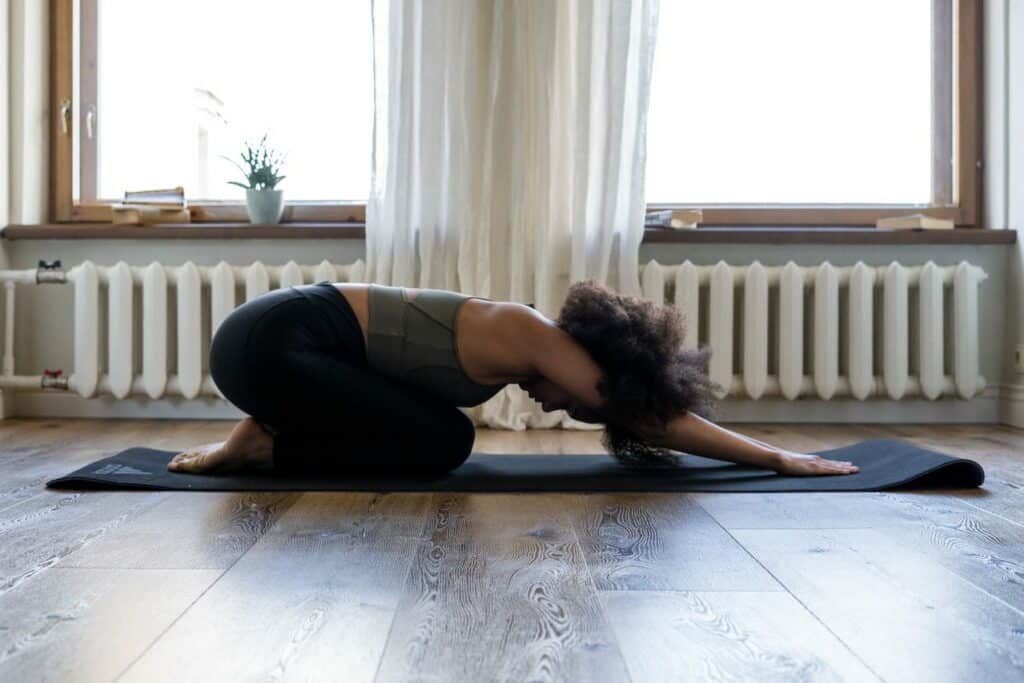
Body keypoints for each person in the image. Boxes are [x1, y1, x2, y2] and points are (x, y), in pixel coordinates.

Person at [168, 280, 859, 477]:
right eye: (580, 402)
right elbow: (652, 415)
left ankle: (262, 435)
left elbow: (355, 394)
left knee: (441, 434)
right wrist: (772, 455)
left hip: (280, 350)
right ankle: (262, 443)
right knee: (441, 444)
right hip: (269, 341)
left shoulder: (510, 344)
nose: (557, 406)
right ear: (596, 363)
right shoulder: (531, 333)